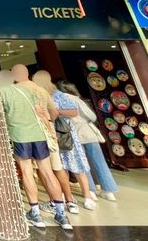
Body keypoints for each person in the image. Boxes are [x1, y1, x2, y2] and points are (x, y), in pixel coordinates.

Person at [0, 70, 72, 231]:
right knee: (48, 173)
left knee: (27, 172)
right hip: (39, 135)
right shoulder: (27, 90)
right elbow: (41, 112)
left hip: (20, 136)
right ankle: (61, 214)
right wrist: (50, 132)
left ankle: (35, 213)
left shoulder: (1, 92)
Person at [34, 72, 97, 210]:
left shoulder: (59, 95)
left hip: (65, 133)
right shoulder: (41, 96)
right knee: (60, 167)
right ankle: (67, 197)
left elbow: (74, 112)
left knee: (77, 165)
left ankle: (87, 195)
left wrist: (56, 112)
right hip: (51, 134)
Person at [29, 69, 81, 215]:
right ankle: (68, 200)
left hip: (40, 133)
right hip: (51, 134)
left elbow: (68, 111)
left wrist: (46, 120)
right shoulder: (51, 93)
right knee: (56, 168)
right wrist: (50, 121)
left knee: (44, 169)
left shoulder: (37, 93)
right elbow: (58, 112)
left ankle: (57, 201)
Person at [57, 79, 119, 201]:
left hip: (72, 136)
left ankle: (90, 190)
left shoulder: (58, 101)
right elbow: (92, 116)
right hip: (87, 134)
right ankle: (108, 190)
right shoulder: (77, 100)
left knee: (81, 164)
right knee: (99, 162)